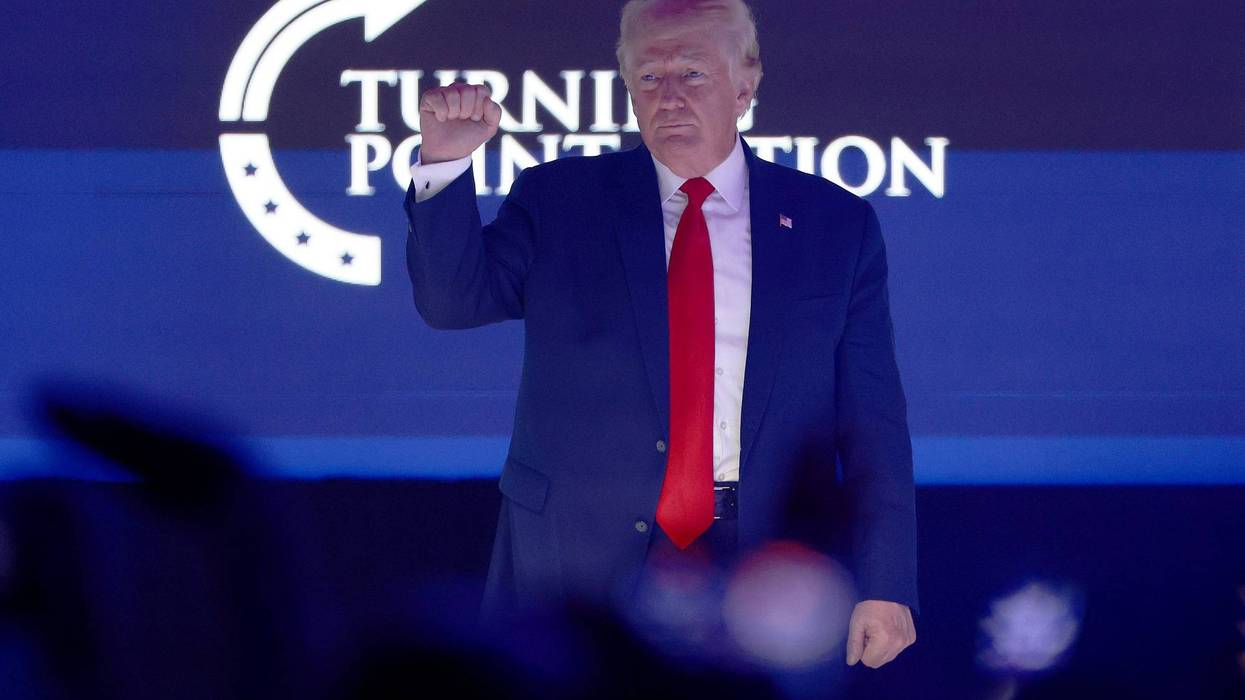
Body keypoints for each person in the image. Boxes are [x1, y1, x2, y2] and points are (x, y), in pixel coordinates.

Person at [403, 0, 917, 670]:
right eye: (648, 77)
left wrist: (884, 582)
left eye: (692, 73)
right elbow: (452, 302)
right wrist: (444, 163)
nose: (669, 95)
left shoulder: (834, 224)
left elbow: (872, 420)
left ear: (745, 83)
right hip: (576, 552)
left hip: (764, 562)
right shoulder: (558, 200)